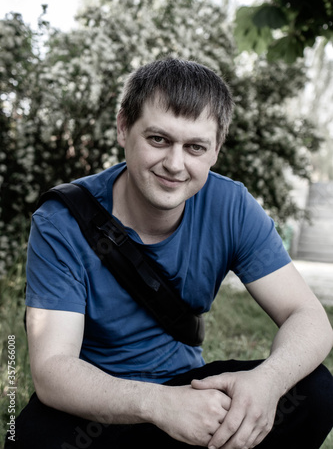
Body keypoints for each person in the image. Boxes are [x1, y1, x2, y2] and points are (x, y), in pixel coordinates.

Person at [6, 58, 333, 449]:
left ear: (216, 150)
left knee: (314, 391)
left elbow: (309, 317)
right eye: (158, 139)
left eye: (195, 147)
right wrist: (159, 405)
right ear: (124, 127)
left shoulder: (231, 206)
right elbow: (52, 371)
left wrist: (268, 382)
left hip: (188, 393)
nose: (175, 165)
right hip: (95, 404)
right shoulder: (61, 220)